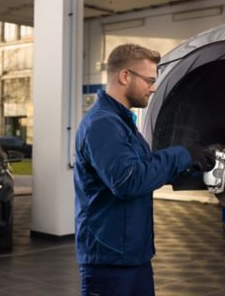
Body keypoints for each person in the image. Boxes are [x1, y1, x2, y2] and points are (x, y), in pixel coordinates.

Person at [73, 43, 215, 296]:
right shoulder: (103, 124)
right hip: (109, 261)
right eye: (149, 80)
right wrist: (183, 154)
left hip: (132, 254)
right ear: (125, 76)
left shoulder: (121, 122)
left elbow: (146, 169)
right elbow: (129, 180)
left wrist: (201, 169)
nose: (154, 87)